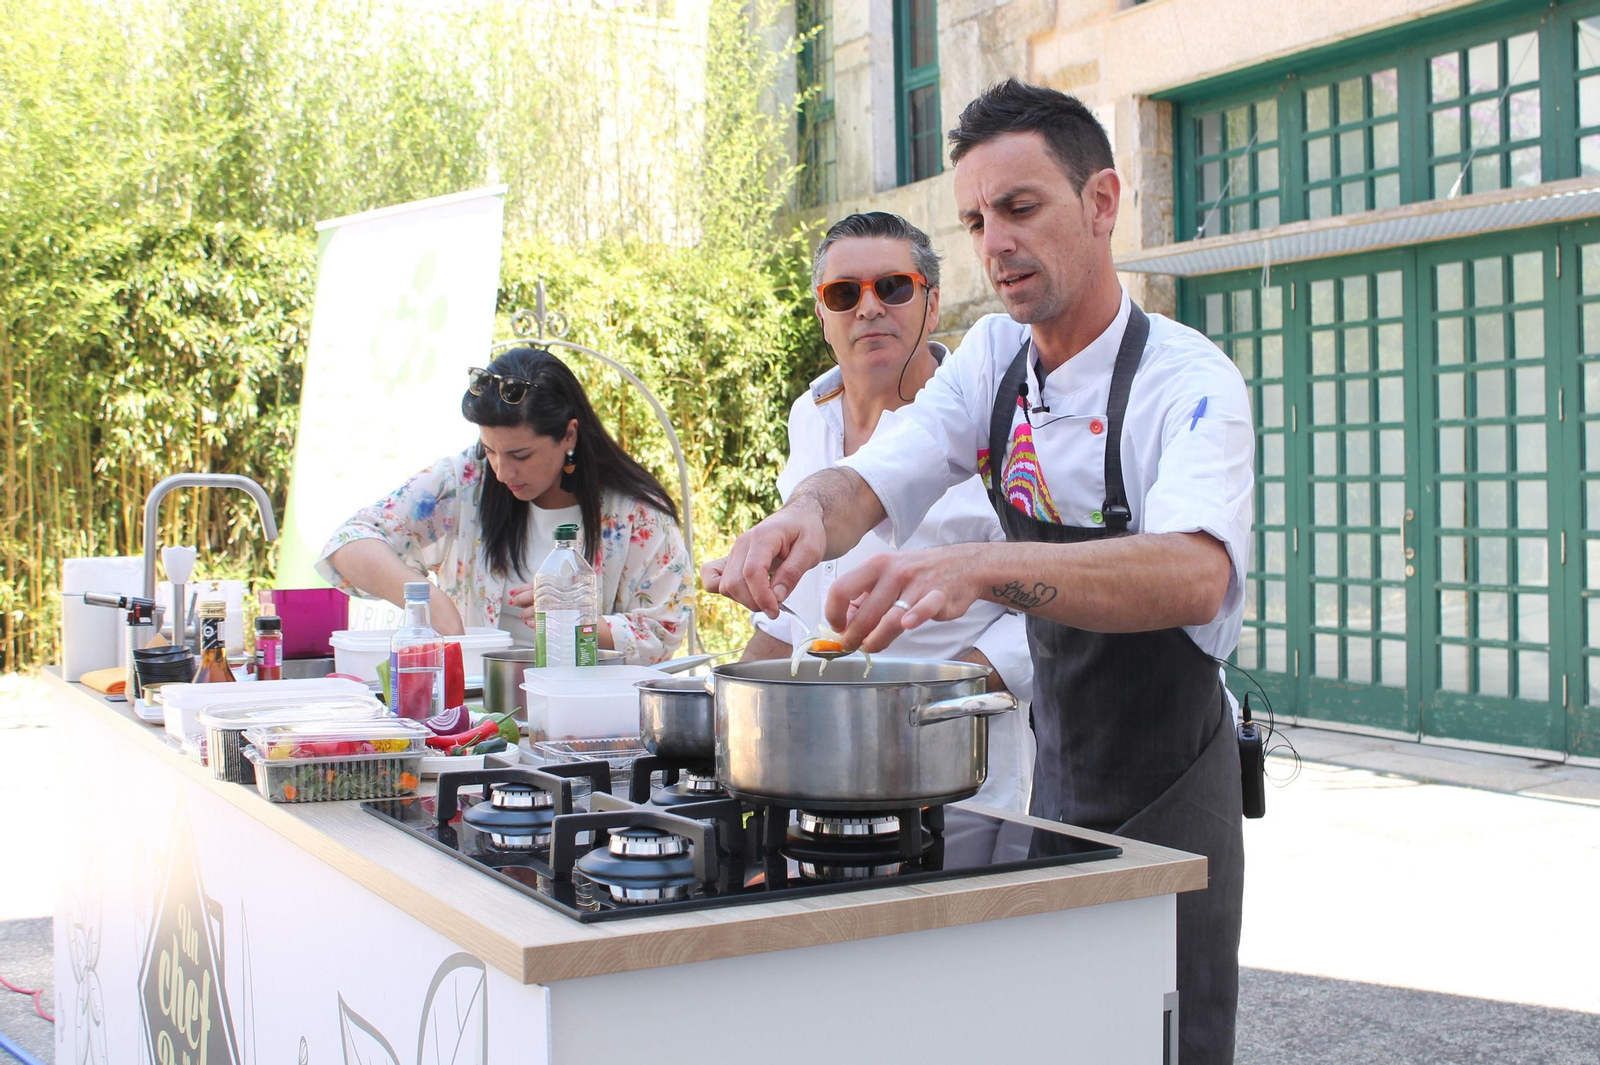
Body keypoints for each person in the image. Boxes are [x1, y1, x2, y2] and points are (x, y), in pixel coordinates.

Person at [704, 79, 1252, 1064]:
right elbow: (880, 476)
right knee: (1057, 1033)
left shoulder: (1188, 382)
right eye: (973, 219)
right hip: (1057, 770)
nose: (992, 241)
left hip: (1171, 780)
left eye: (1019, 207)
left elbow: (1193, 575)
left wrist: (978, 567)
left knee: (1170, 1038)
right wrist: (797, 521)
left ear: (1100, 202)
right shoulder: (995, 357)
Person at [742, 210, 1035, 813]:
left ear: (931, 304)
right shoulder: (808, 415)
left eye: (893, 287)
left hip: (959, 768)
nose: (869, 308)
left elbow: (1048, 605)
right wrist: (732, 707)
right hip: (815, 761)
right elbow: (792, 610)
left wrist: (930, 699)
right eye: (844, 293)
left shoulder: (998, 418)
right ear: (822, 316)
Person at [319, 346, 692, 664]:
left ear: (569, 434)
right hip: (474, 711)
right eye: (490, 450)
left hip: (585, 712)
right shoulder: (466, 479)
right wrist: (429, 600)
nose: (501, 471)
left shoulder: (636, 515)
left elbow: (666, 628)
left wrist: (582, 621)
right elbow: (350, 541)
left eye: (520, 455)